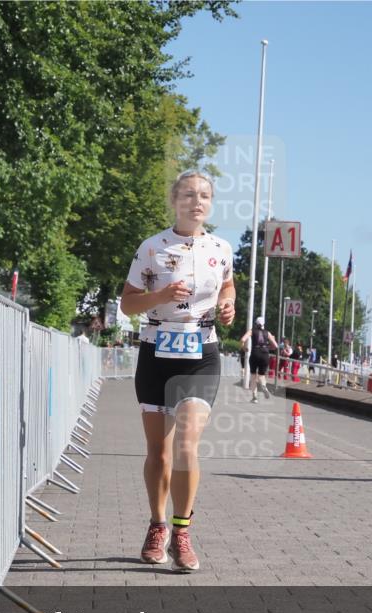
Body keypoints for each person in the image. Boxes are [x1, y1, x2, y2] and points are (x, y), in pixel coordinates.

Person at [120, 170, 235, 572]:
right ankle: (157, 525)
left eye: (204, 195)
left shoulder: (221, 248)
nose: (196, 201)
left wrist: (228, 304)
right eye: (188, 194)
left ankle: (182, 533)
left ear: (210, 204)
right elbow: (128, 305)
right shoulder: (152, 247)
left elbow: (227, 285)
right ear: (174, 200)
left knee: (187, 444)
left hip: (201, 353)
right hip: (156, 353)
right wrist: (162, 296)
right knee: (159, 452)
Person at [240, 317, 277, 403]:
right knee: (262, 375)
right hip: (265, 354)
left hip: (255, 353)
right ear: (264, 324)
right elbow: (275, 346)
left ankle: (255, 397)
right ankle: (264, 386)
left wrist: (244, 347)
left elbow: (242, 339)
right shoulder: (267, 333)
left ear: (255, 324)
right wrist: (268, 347)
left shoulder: (252, 331)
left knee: (253, 376)